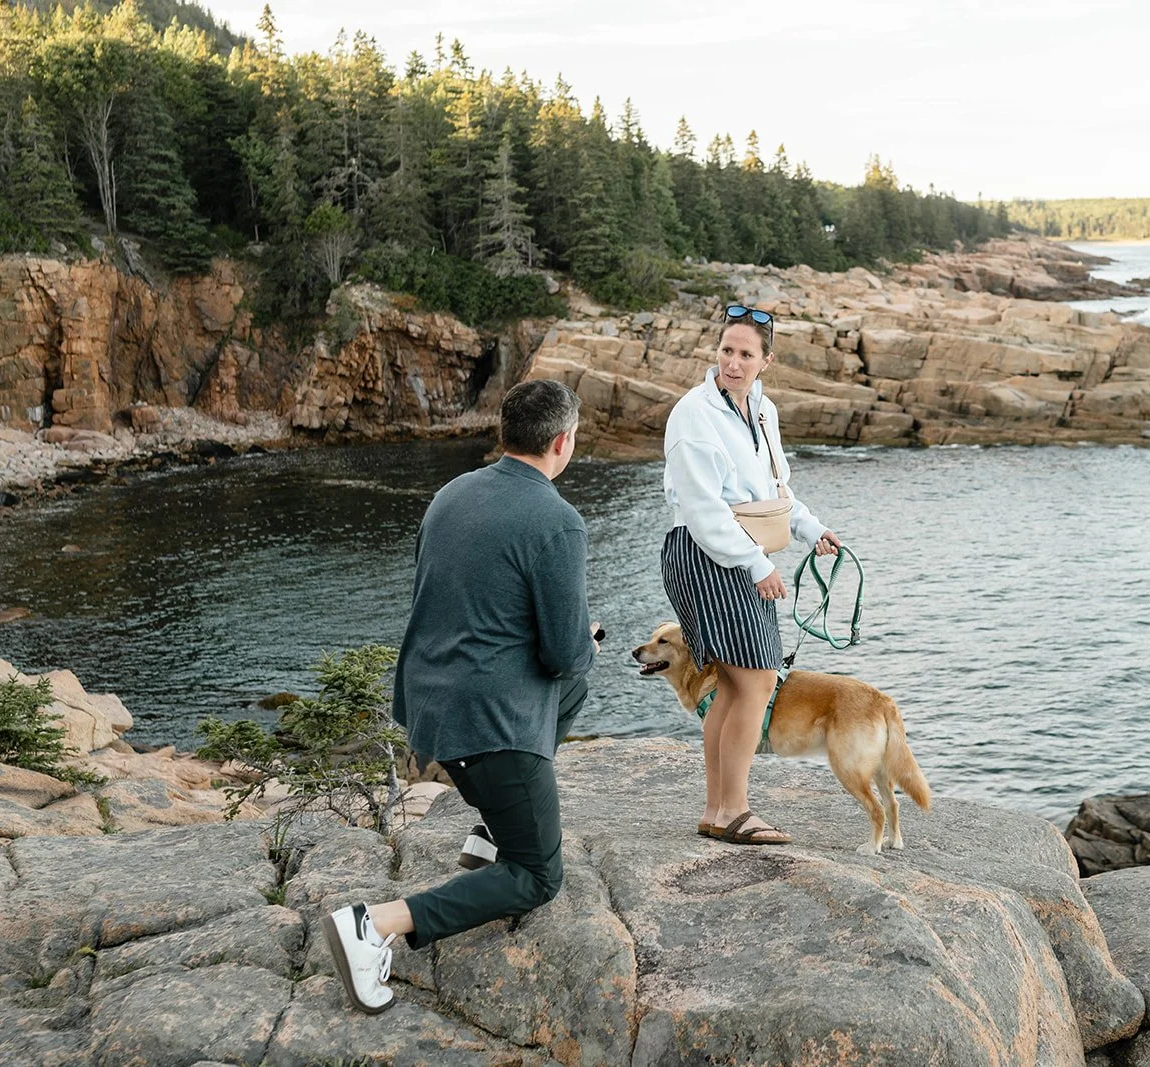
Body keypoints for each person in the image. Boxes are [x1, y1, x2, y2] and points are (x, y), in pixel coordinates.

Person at [321, 378, 597, 1015]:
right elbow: (562, 654)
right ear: (564, 441)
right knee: (537, 877)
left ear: (505, 435)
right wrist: (587, 641)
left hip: (427, 707)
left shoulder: (451, 494)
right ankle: (377, 924)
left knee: (574, 682)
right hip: (486, 725)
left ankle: (493, 831)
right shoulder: (558, 520)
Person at [661, 304, 844, 846]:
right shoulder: (694, 415)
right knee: (758, 680)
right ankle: (732, 810)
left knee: (739, 684)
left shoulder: (762, 410)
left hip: (736, 552)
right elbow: (702, 509)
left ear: (766, 361)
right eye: (726, 351)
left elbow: (775, 491)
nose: (733, 363)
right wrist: (759, 564)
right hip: (703, 554)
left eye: (745, 354)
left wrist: (813, 530)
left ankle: (719, 811)